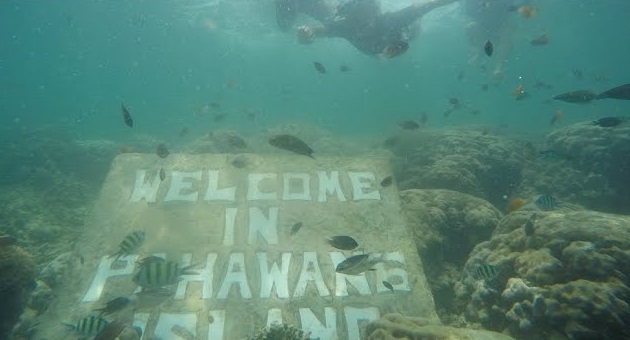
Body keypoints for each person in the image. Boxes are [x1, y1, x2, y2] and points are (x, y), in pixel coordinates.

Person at [275, 0, 457, 58]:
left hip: (397, 39)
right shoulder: (345, 24)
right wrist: (307, 32)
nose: (361, 27)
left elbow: (430, 5)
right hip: (374, 50)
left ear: (374, 14)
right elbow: (319, 29)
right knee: (328, 14)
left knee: (413, 30)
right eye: (357, 19)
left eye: (365, 19)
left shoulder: (391, 21)